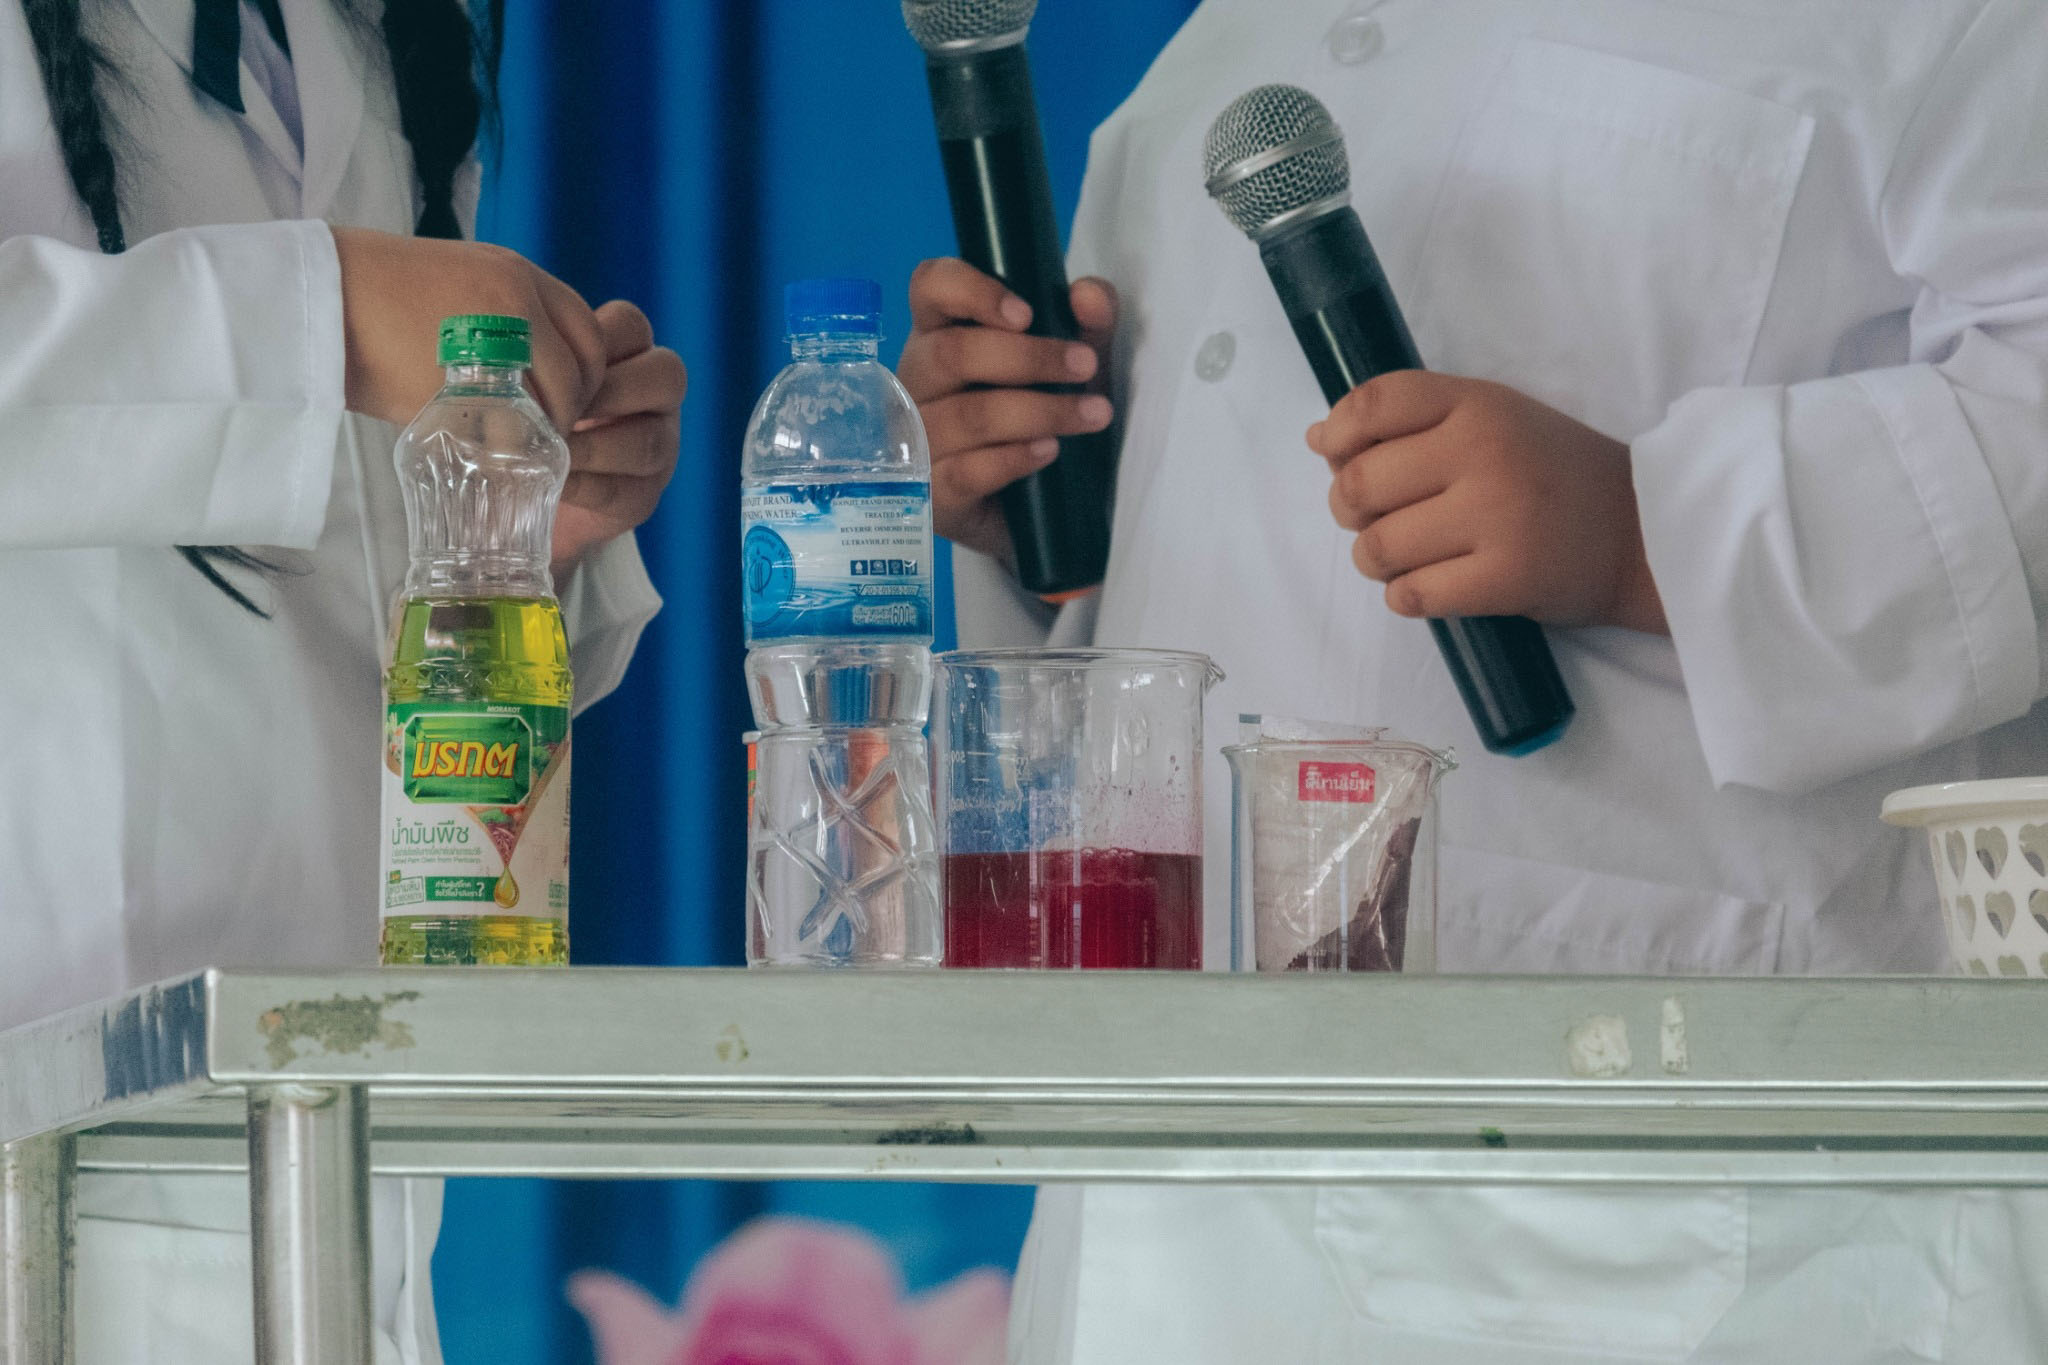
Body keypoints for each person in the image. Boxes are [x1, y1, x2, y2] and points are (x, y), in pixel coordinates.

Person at [900, 0, 2048, 1359]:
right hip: (1155, 1191)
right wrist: (1028, 502)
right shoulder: (1227, 44)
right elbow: (1198, 578)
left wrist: (1649, 533)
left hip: (1681, 1188)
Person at [1, 1, 681, 1360]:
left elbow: (317, 544)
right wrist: (328, 319)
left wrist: (515, 530)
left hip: (320, 1180)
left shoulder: (348, 30)